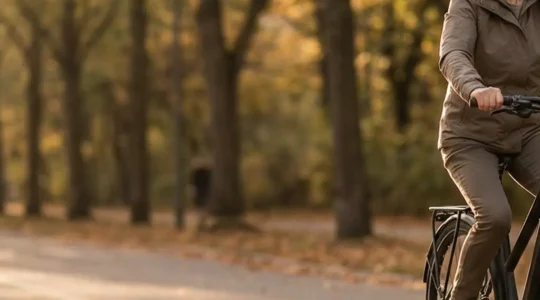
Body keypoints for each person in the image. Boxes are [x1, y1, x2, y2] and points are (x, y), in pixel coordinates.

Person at [438, 0, 540, 298]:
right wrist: (475, 88)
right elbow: (452, 53)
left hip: (527, 130)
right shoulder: (469, 3)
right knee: (495, 216)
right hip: (470, 135)